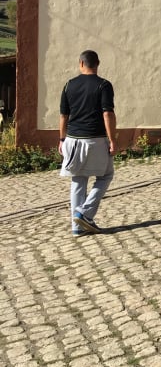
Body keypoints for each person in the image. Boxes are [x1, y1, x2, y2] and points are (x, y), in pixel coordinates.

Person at [58, 50, 117, 236]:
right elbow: (107, 113)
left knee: (78, 180)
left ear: (81, 63)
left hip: (73, 139)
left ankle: (77, 227)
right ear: (97, 64)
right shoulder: (104, 85)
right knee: (106, 175)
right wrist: (113, 139)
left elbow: (63, 115)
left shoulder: (69, 85)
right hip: (95, 139)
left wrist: (61, 139)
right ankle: (85, 213)